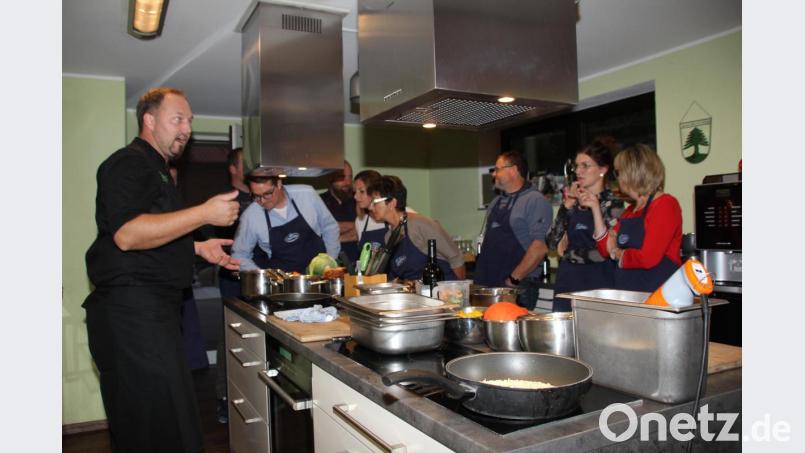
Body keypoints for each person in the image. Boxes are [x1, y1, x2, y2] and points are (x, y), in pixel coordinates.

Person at [83, 87, 241, 453]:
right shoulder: (128, 163)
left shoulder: (157, 171)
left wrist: (197, 248)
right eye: (178, 119)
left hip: (152, 315)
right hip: (132, 316)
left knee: (167, 424)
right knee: (152, 429)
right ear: (149, 120)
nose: (187, 129)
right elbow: (127, 235)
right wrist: (204, 213)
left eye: (190, 121)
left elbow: (150, 236)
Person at [546, 137, 624, 312]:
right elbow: (550, 242)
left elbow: (607, 252)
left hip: (597, 283)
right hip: (567, 283)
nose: (578, 171)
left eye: (585, 166)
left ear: (603, 169)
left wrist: (569, 253)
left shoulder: (612, 204)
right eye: (577, 166)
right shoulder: (573, 203)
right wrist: (566, 205)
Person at [592, 144, 682, 292]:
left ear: (632, 173)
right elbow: (605, 250)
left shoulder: (665, 204)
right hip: (629, 294)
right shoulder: (630, 210)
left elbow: (648, 258)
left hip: (657, 294)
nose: (617, 178)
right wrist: (595, 208)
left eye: (618, 172)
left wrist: (617, 252)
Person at [474, 151, 553, 310]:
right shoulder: (496, 202)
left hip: (515, 288)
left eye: (497, 169)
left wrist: (513, 281)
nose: (494, 174)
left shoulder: (535, 200)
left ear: (513, 170)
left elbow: (539, 248)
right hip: (488, 284)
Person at [214, 147, 252, 423]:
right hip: (232, 278)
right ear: (233, 169)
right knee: (230, 336)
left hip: (257, 276)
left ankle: (255, 394)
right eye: (244, 163)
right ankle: (225, 398)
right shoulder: (224, 200)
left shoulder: (260, 198)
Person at [231, 175, 340, 272]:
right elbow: (239, 254)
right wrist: (263, 277)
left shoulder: (307, 194)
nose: (262, 201)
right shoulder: (251, 216)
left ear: (279, 184)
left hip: (319, 276)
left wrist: (329, 262)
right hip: (283, 283)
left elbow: (329, 227)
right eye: (256, 196)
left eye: (267, 194)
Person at [367, 176, 465, 280]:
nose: (370, 207)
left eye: (375, 202)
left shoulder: (420, 224)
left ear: (392, 203)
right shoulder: (389, 236)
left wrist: (458, 288)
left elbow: (456, 259)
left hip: (441, 288)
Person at [320, 160, 360, 263]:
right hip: (329, 264)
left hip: (357, 264)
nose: (348, 182)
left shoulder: (359, 199)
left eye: (350, 177)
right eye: (342, 178)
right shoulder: (319, 201)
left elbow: (366, 229)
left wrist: (332, 237)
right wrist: (355, 226)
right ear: (330, 178)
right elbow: (318, 231)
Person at [353, 169, 387, 251]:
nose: (355, 196)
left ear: (376, 192)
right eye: (355, 192)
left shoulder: (396, 216)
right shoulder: (360, 221)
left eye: (361, 191)